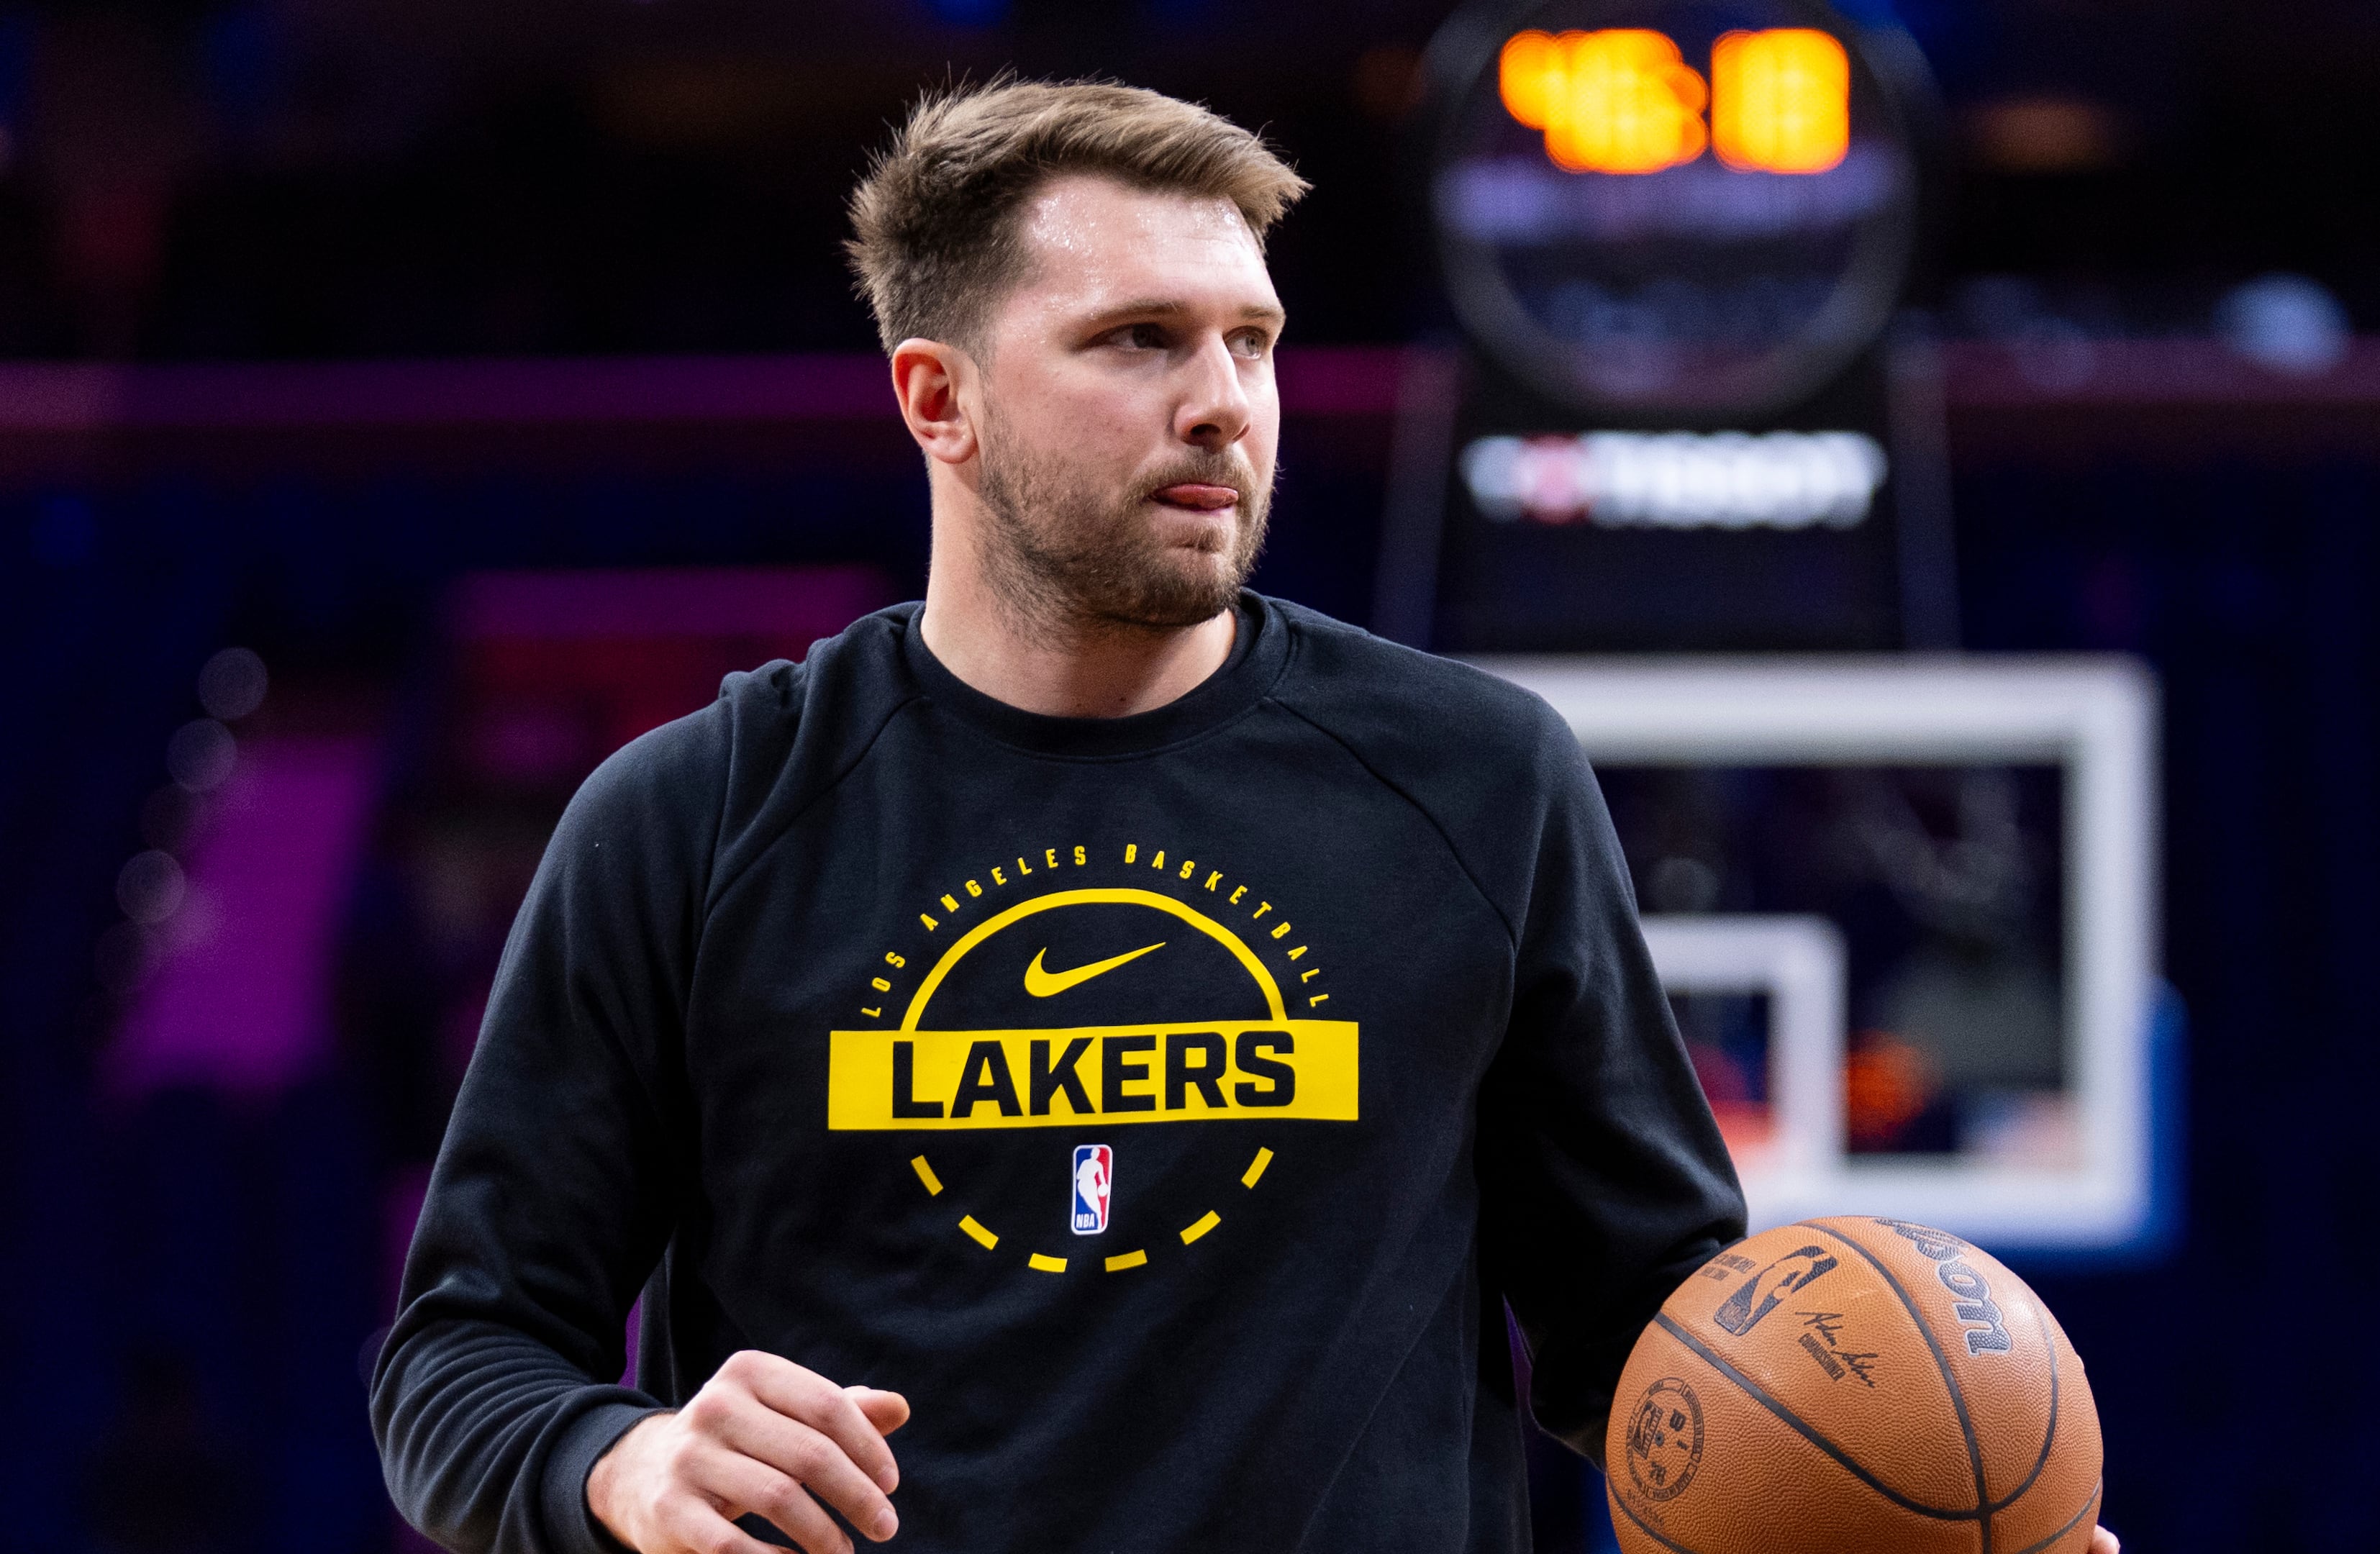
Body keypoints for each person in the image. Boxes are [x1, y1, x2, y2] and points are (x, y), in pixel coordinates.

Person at [367, 78, 2115, 1554]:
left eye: (1252, 340)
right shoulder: (688, 820)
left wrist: (1920, 1509)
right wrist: (624, 1461)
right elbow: (459, 1360)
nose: (1224, 402)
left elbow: (1653, 1343)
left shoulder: (1479, 783)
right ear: (938, 399)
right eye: (1137, 341)